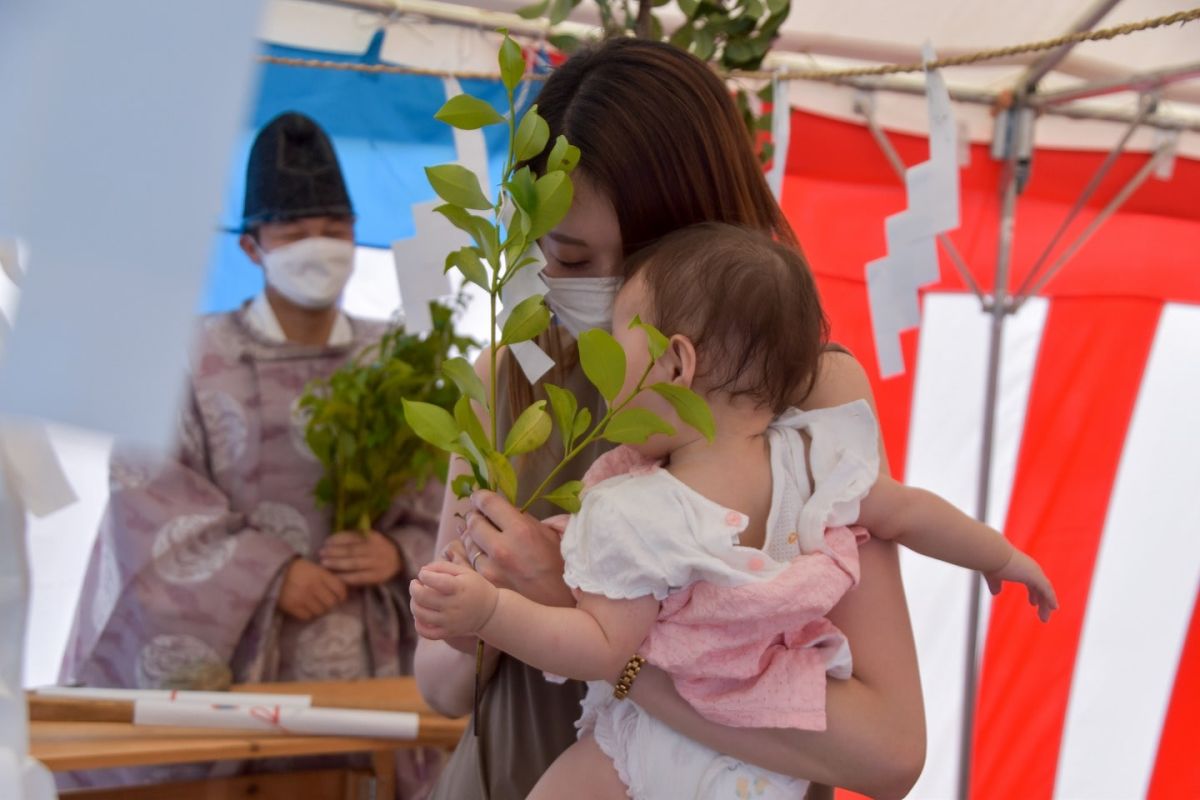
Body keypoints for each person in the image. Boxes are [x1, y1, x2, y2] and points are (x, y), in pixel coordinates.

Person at [416, 39, 927, 800]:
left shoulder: (805, 394)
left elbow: (888, 751)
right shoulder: (508, 383)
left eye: (615, 265)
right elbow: (442, 685)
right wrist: (472, 618)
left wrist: (586, 621)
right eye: (563, 257)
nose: (583, 291)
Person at [411, 223, 1057, 799]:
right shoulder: (811, 459)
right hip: (770, 775)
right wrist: (1001, 556)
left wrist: (493, 609)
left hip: (646, 753)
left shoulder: (630, 508)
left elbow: (603, 648)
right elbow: (908, 513)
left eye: (617, 347)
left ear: (676, 362)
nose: (601, 372)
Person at [59, 112, 441, 796]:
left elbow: (443, 498)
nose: (318, 248)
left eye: (335, 231)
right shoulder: (186, 356)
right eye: (295, 235)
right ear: (250, 248)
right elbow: (146, 499)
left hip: (369, 667)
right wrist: (268, 573)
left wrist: (401, 553)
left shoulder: (398, 360)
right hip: (235, 670)